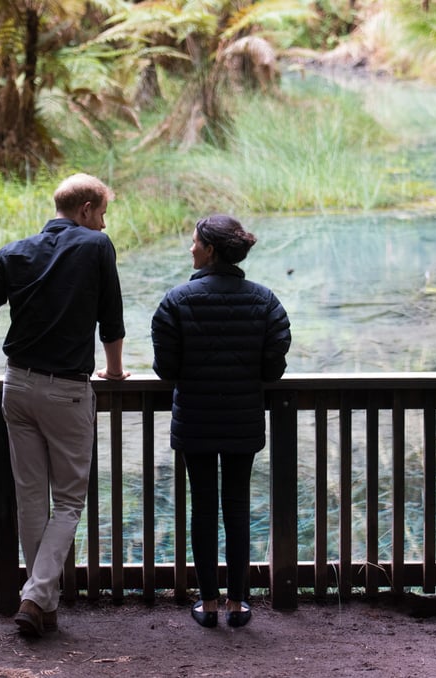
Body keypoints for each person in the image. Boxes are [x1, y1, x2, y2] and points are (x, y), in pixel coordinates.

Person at [0, 173, 130, 637]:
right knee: (68, 500)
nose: (104, 225)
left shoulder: (14, 252)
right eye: (102, 214)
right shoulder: (95, 247)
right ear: (86, 209)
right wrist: (113, 370)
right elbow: (111, 316)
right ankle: (36, 595)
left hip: (18, 387)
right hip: (67, 390)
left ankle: (40, 602)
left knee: (31, 495)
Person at [150, 214, 291, 629]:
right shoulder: (265, 301)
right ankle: (238, 603)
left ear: (210, 250)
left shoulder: (175, 301)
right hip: (243, 418)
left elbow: (166, 369)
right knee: (237, 507)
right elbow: (273, 369)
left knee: (203, 508)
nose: (190, 248)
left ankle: (208, 603)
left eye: (194, 242)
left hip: (194, 418)